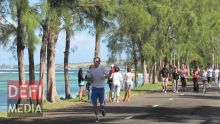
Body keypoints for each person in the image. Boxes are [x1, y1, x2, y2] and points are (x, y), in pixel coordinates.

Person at [87, 57, 109, 122]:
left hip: (101, 88)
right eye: (94, 61)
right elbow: (88, 78)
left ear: (99, 62)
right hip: (94, 88)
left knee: (101, 104)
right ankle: (97, 117)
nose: (95, 62)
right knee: (94, 104)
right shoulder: (92, 69)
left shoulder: (102, 68)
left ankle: (102, 109)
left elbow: (108, 75)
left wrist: (104, 77)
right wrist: (90, 79)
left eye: (97, 61)